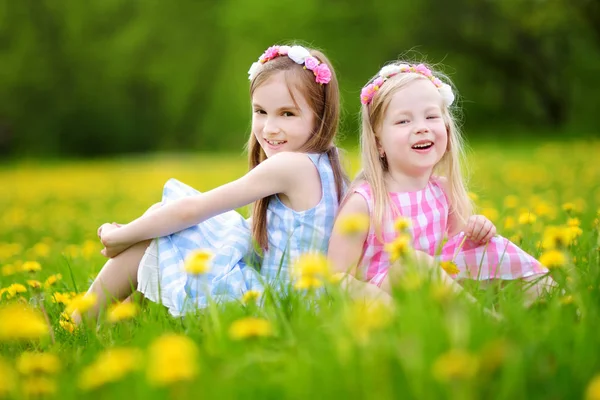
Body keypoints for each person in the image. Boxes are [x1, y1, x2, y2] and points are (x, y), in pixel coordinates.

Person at [75, 44, 348, 320]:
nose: (269, 127)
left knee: (161, 234)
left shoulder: (290, 165)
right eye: (260, 111)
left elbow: (193, 210)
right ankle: (118, 324)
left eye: (287, 113)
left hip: (278, 307)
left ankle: (77, 321)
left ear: (320, 115)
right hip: (301, 303)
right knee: (165, 229)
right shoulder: (329, 162)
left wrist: (121, 236)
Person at [328, 61, 553, 301]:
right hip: (385, 300)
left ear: (446, 127)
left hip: (438, 293)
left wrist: (478, 229)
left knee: (492, 248)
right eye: (404, 121)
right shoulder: (365, 202)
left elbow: (459, 249)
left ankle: (556, 301)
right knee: (413, 262)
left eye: (431, 116)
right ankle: (485, 323)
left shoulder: (441, 190)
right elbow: (336, 277)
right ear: (379, 143)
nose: (421, 128)